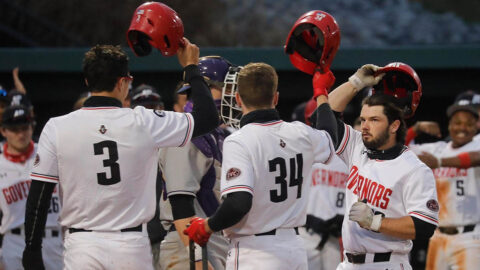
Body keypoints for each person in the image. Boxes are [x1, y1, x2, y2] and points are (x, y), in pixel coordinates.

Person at [21, 40, 219, 270]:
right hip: (131, 245)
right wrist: (191, 67)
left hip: (83, 245)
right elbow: (207, 118)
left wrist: (32, 248)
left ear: (87, 81)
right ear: (124, 82)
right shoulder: (144, 121)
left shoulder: (57, 127)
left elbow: (39, 197)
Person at [183, 62, 338, 269]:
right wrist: (321, 93)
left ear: (238, 99)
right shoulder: (301, 133)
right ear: (276, 98)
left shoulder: (239, 140)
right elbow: (331, 137)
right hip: (294, 249)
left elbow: (239, 203)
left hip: (255, 252)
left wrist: (206, 226)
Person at [314, 63, 439, 270]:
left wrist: (376, 222)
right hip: (348, 263)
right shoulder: (357, 146)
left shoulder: (414, 169)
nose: (364, 126)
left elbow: (425, 226)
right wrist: (355, 83)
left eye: (374, 120)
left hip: (387, 263)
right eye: (363, 119)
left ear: (394, 125)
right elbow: (326, 117)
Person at [159, 56, 231, 270]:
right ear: (206, 89)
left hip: (211, 241)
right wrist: (198, 260)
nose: (232, 96)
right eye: (225, 88)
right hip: (188, 245)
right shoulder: (183, 133)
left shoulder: (216, 134)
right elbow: (181, 204)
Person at [407, 100, 480, 270]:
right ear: (449, 125)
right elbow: (398, 147)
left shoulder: (476, 144)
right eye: (458, 123)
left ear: (476, 127)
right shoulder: (438, 149)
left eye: (469, 124)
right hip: (438, 236)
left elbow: (476, 158)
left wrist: (440, 162)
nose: (463, 128)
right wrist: (416, 128)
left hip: (470, 237)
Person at [0, 105, 63, 270]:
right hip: (14, 241)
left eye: (25, 128)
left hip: (54, 239)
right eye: (15, 129)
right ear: (3, 131)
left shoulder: (47, 152)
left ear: (32, 127)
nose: (21, 134)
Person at [299, 98, 348, 270]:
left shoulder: (348, 155)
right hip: (306, 232)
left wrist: (344, 219)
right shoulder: (303, 151)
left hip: (334, 238)